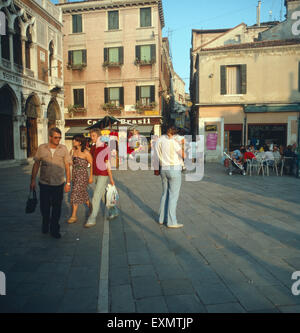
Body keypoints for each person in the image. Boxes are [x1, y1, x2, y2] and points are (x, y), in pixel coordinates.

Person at [30, 128, 72, 239]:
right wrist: (33, 180)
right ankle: (45, 221)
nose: (58, 139)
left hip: (58, 184)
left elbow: (67, 167)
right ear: (50, 137)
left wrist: (68, 182)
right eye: (56, 137)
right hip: (44, 183)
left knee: (57, 207)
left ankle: (54, 229)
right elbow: (36, 165)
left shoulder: (63, 149)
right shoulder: (42, 148)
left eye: (59, 137)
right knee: (44, 206)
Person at [155, 126, 185, 229]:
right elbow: (184, 155)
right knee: (173, 196)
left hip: (163, 169)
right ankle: (171, 222)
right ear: (174, 134)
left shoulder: (159, 140)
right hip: (174, 169)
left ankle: (161, 218)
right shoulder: (174, 142)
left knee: (164, 194)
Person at [85, 129, 115, 228]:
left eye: (93, 136)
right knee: (103, 195)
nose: (91, 137)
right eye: (91, 136)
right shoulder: (93, 148)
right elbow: (91, 161)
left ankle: (92, 218)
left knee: (96, 195)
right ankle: (113, 211)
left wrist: (111, 178)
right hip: (96, 174)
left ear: (98, 136)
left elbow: (108, 164)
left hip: (103, 173)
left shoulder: (105, 147)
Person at [68, 135, 93, 224]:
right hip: (75, 174)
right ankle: (90, 205)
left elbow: (91, 163)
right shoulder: (72, 151)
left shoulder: (86, 152)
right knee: (82, 193)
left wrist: (91, 176)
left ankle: (74, 215)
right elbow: (69, 162)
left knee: (75, 193)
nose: (73, 141)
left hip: (83, 175)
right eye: (73, 140)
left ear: (80, 142)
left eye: (75, 140)